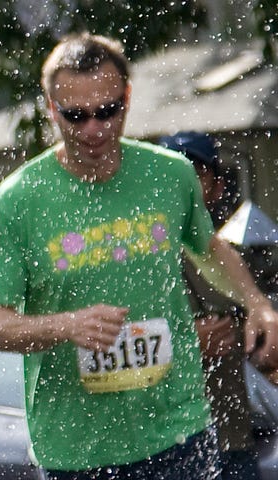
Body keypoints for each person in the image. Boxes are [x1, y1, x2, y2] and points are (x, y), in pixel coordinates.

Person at [0, 34, 278, 479]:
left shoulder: (169, 174)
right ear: (50, 106)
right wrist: (67, 326)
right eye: (75, 116)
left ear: (127, 97)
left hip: (178, 432)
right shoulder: (19, 199)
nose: (93, 129)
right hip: (78, 449)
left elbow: (208, 248)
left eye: (107, 110)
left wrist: (257, 304)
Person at [160, 131, 260, 480]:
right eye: (172, 175)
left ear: (217, 187)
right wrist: (186, 341)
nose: (182, 185)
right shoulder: (134, 260)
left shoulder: (240, 261)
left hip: (234, 441)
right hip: (163, 447)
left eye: (195, 173)